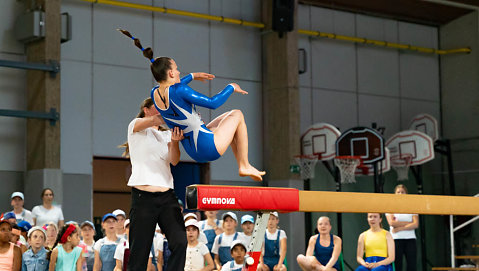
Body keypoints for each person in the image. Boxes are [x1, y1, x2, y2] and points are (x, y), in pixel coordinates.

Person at [119, 29, 265, 181]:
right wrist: (231, 87)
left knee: (226, 121)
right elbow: (213, 103)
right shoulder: (180, 90)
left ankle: (243, 164)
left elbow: (173, 89)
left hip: (193, 151)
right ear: (170, 73)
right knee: (237, 115)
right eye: (176, 69)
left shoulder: (154, 94)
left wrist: (193, 76)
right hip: (208, 146)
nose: (179, 71)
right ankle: (244, 164)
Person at [119, 96, 188, 271]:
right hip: (143, 197)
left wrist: (174, 141)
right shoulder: (136, 127)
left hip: (167, 196)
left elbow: (174, 161)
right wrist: (182, 115)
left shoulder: (166, 134)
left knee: (180, 241)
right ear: (146, 110)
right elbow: (157, 119)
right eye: (157, 107)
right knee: (139, 251)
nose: (161, 111)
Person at [386, 185, 418, 271]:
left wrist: (399, 228)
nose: (400, 194)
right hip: (396, 239)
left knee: (412, 266)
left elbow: (415, 224)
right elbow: (392, 223)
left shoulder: (412, 207)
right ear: (395, 194)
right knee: (397, 265)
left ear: (406, 194)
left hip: (410, 239)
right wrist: (409, 223)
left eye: (402, 192)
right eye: (398, 192)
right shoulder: (390, 207)